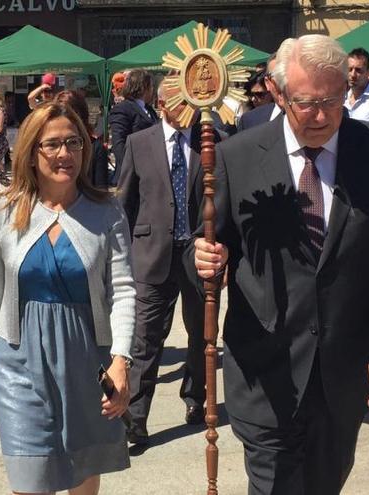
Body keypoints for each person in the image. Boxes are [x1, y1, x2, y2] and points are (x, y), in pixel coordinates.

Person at [193, 34, 369, 494]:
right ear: (278, 93)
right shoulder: (236, 157)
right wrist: (204, 261)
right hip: (266, 372)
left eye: (332, 102)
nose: (319, 116)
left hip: (343, 374)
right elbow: (209, 247)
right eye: (305, 103)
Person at [0, 101, 134, 494]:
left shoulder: (106, 210)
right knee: (30, 478)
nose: (64, 154)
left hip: (88, 361)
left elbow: (122, 290)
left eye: (74, 143)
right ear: (31, 153)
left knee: (83, 473)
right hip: (19, 361)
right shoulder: (5, 210)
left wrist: (121, 362)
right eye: (51, 144)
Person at [117, 76, 221, 445]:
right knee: (145, 340)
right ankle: (136, 416)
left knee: (202, 333)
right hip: (150, 254)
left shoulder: (211, 140)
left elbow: (221, 200)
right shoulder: (138, 143)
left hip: (196, 253)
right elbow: (124, 203)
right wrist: (122, 256)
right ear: (161, 105)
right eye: (178, 101)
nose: (186, 108)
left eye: (190, 101)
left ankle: (195, 398)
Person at [109, 69, 158, 185]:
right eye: (151, 86)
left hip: (150, 171)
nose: (152, 90)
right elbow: (119, 143)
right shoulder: (123, 109)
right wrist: (131, 169)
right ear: (144, 87)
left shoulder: (150, 110)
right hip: (132, 175)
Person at [238, 40, 293, 132]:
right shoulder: (250, 121)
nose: (283, 84)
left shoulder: (318, 119)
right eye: (277, 77)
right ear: (267, 82)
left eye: (290, 76)